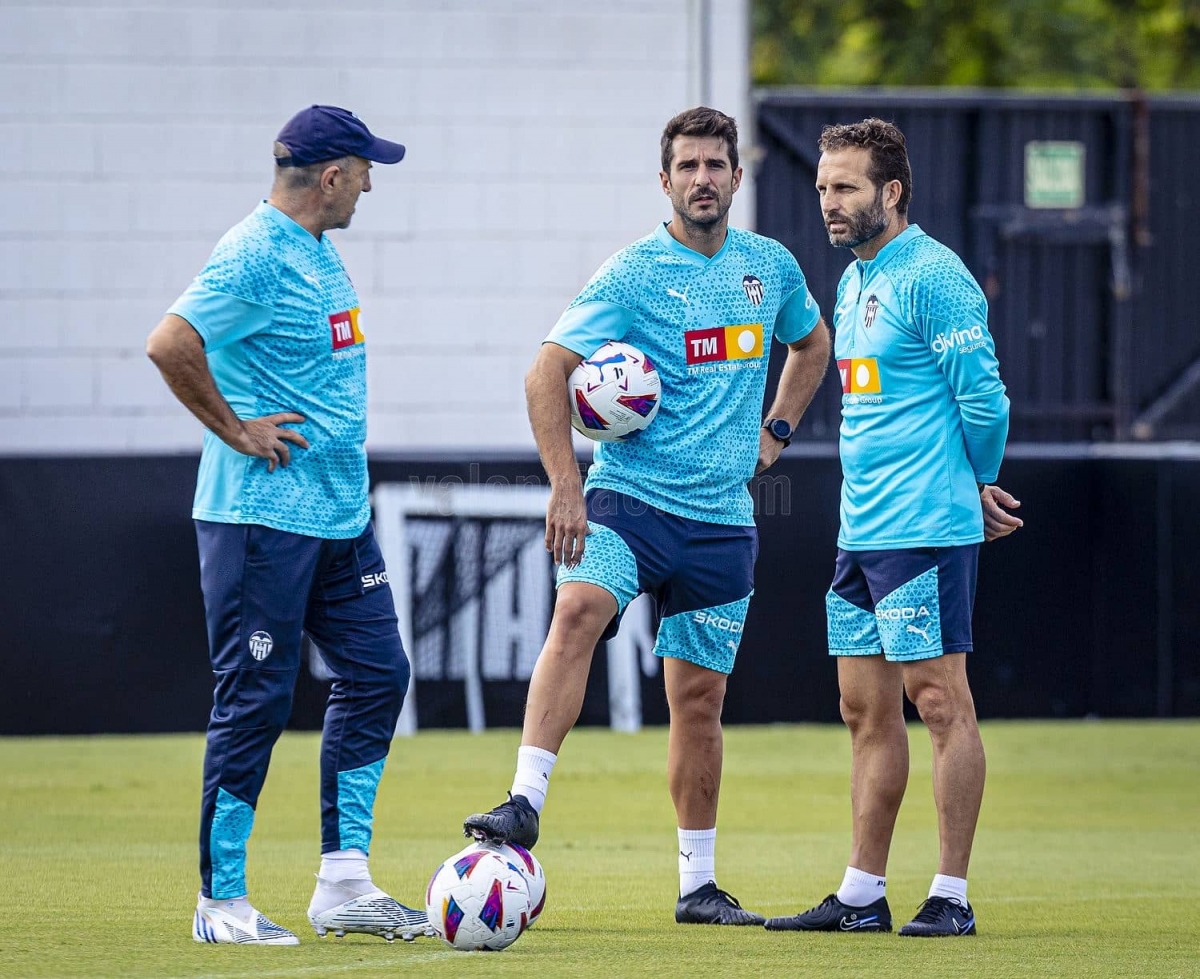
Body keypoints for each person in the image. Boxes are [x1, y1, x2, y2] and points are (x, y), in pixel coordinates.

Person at [462, 106, 831, 925]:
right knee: (580, 606)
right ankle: (523, 801)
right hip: (628, 501)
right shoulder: (631, 273)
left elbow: (813, 344)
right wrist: (566, 485)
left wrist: (777, 431)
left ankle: (697, 885)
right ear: (664, 182)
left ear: (738, 177)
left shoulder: (769, 268)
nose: (703, 178)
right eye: (688, 167)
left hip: (723, 520)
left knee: (698, 701)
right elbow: (544, 375)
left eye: (716, 165)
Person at [146, 105, 431, 946]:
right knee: (256, 702)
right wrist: (237, 430)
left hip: (341, 519)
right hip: (259, 522)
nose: (374, 183)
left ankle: (345, 883)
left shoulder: (321, 254)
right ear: (332, 176)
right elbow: (170, 343)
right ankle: (219, 902)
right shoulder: (253, 253)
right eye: (367, 169)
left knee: (380, 672)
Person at [764, 118, 1023, 939]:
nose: (828, 204)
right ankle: (861, 893)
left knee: (940, 702)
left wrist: (976, 482)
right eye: (822, 189)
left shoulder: (934, 275)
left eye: (844, 188)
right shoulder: (851, 280)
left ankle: (950, 892)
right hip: (859, 535)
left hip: (923, 531)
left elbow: (985, 400)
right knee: (862, 712)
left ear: (892, 192)